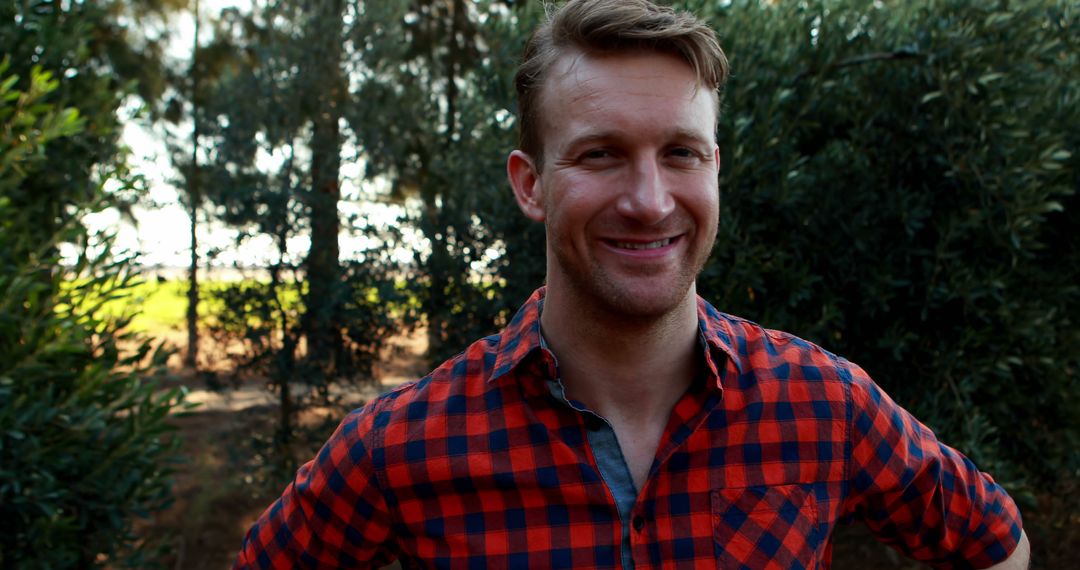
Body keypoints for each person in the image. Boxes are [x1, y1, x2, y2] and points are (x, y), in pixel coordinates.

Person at [235, 0, 1029, 568]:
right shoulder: (401, 447)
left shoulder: (823, 402)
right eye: (600, 153)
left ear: (715, 170)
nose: (650, 202)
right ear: (530, 183)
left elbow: (997, 545)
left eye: (681, 153)